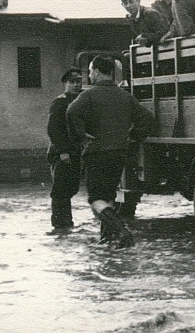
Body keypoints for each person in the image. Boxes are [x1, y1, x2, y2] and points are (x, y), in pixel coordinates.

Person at [66, 55, 155, 248]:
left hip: (97, 153)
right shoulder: (125, 96)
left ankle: (122, 231)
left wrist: (81, 137)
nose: (89, 76)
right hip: (119, 153)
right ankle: (107, 239)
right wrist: (133, 137)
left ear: (97, 71)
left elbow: (71, 112)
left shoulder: (89, 94)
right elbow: (147, 117)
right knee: (108, 197)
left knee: (96, 200)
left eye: (90, 71)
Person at [46, 68, 83, 234]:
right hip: (61, 153)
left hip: (75, 152)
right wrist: (62, 151)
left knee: (71, 187)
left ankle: (66, 223)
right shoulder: (60, 103)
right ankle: (61, 225)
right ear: (65, 84)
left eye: (78, 82)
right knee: (61, 189)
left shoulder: (81, 100)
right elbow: (53, 129)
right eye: (72, 82)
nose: (76, 85)